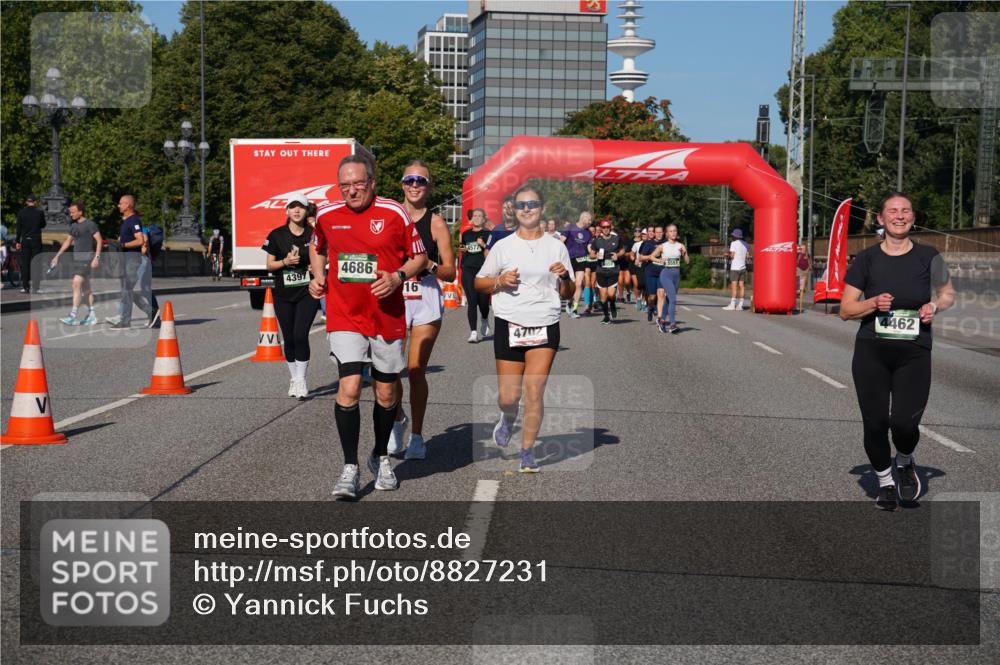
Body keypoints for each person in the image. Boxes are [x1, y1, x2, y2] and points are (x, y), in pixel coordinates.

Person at [309, 154, 428, 499]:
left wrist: (397, 277)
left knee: (386, 392)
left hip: (386, 315)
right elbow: (317, 248)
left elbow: (418, 257)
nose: (351, 191)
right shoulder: (328, 215)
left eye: (357, 184)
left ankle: (381, 455)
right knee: (347, 387)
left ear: (372, 183)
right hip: (345, 314)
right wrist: (318, 278)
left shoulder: (394, 212)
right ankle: (349, 467)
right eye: (344, 185)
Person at [840, 192, 954, 511]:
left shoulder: (929, 256)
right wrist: (872, 303)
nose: (899, 215)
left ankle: (904, 460)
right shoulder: (866, 259)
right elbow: (846, 310)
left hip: (914, 352)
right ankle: (886, 482)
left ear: (913, 218)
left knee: (904, 424)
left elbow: (947, 294)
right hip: (871, 353)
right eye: (893, 211)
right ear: (880, 218)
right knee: (875, 423)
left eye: (905, 211)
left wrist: (934, 305)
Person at [474, 185, 575, 473]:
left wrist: (565, 276)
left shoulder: (557, 245)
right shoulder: (503, 246)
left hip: (545, 322)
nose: (527, 209)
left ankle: (527, 452)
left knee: (534, 391)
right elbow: (479, 282)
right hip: (510, 322)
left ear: (542, 208)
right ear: (514, 211)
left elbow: (568, 292)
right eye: (521, 205)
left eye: (532, 204)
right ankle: (507, 418)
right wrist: (500, 281)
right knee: (509, 397)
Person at [387, 161, 456, 460]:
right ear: (402, 184)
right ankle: (397, 420)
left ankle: (416, 435)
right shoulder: (389, 216)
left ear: (429, 187)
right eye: (410, 180)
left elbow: (451, 272)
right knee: (390, 372)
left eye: (421, 181)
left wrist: (428, 265)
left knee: (415, 371)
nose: (415, 185)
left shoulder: (436, 223)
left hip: (425, 297)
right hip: (393, 296)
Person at [264, 193, 320, 399]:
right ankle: (294, 378)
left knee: (300, 334)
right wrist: (285, 262)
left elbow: (326, 257)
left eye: (301, 207)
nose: (297, 211)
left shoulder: (314, 234)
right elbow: (269, 265)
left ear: (307, 211)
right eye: (293, 207)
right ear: (286, 210)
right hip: (283, 294)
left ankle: (302, 379)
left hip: (308, 292)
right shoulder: (276, 235)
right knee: (288, 338)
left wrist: (316, 270)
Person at [49, 201, 102, 325]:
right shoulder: (73, 226)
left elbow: (99, 241)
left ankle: (72, 316)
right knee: (86, 289)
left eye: (73, 212)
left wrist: (97, 258)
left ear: (80, 212)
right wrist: (57, 256)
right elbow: (67, 242)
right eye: (70, 212)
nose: (71, 214)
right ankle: (92, 315)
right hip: (77, 260)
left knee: (76, 283)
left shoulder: (90, 224)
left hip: (87, 259)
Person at [108, 195, 155, 329]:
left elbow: (140, 240)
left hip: (132, 259)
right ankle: (126, 320)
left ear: (128, 205)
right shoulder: (127, 221)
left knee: (127, 289)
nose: (118, 206)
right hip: (126, 259)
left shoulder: (133, 220)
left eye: (121, 203)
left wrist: (123, 245)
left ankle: (149, 311)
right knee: (126, 290)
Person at [649, 223, 690, 333]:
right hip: (666, 274)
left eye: (675, 231)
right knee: (672, 299)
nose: (673, 233)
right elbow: (652, 256)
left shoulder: (680, 246)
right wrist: (659, 260)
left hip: (676, 274)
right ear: (667, 234)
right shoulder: (663, 246)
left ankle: (662, 321)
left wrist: (684, 253)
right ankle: (672, 324)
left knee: (668, 300)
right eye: (671, 231)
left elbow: (687, 261)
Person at [461, 208, 492, 343]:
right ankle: (473, 332)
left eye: (480, 216)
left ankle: (484, 319)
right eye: (475, 216)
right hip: (468, 269)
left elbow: (493, 253)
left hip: (483, 270)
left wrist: (483, 245)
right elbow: (463, 249)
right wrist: (463, 249)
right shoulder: (466, 234)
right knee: (472, 301)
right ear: (471, 219)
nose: (477, 218)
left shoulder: (488, 233)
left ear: (484, 219)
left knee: (484, 302)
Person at [588, 219, 624, 324]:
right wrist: (596, 255)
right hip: (601, 271)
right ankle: (606, 316)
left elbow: (622, 250)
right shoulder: (597, 240)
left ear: (610, 227)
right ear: (601, 228)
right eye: (604, 227)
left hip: (613, 270)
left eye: (608, 227)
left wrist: (618, 255)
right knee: (603, 296)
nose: (606, 229)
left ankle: (612, 304)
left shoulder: (616, 239)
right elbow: (591, 254)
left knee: (611, 295)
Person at [561, 211, 592, 318]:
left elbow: (589, 247)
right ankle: (568, 301)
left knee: (579, 284)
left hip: (581, 260)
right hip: (569, 260)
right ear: (584, 218)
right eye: (589, 220)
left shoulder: (588, 233)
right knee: (571, 285)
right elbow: (561, 242)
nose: (590, 222)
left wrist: (593, 253)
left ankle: (574, 309)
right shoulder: (569, 227)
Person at [15, 195, 46, 294]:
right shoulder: (39, 213)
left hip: (25, 241)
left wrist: (17, 241)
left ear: (26, 202)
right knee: (36, 263)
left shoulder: (21, 213)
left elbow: (18, 228)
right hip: (36, 241)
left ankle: (25, 287)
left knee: (25, 264)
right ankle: (36, 287)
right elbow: (43, 224)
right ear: (35, 202)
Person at [638, 225, 667, 322]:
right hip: (651, 272)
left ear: (663, 233)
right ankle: (650, 308)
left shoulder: (666, 243)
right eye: (657, 232)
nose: (659, 234)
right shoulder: (649, 243)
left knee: (661, 295)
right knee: (652, 297)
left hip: (663, 272)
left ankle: (660, 317)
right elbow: (641, 258)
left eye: (661, 232)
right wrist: (652, 256)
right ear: (654, 233)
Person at [723, 228, 750, 311]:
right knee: (742, 286)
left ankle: (732, 304)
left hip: (735, 267)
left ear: (735, 236)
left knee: (734, 286)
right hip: (743, 267)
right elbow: (747, 256)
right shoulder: (746, 244)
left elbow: (732, 256)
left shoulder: (733, 243)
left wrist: (727, 255)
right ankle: (740, 305)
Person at [796, 242, 811, 312]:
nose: (803, 249)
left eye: (804, 248)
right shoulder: (798, 254)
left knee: (801, 288)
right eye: (802, 248)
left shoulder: (807, 254)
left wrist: (809, 267)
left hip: (805, 271)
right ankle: (797, 304)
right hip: (799, 270)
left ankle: (800, 307)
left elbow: (809, 261)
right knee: (798, 288)